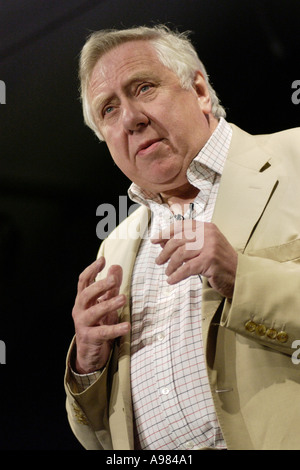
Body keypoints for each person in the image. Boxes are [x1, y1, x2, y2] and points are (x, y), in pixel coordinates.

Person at [64, 25, 300, 450]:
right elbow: (98, 439)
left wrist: (242, 278)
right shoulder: (114, 248)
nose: (131, 119)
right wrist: (88, 363)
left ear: (200, 89)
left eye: (144, 87)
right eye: (108, 110)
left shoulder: (294, 160)